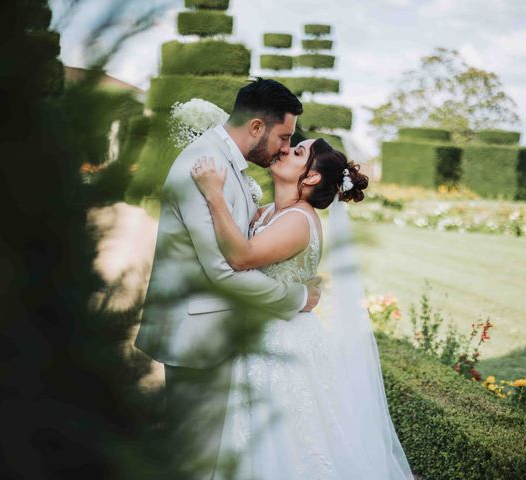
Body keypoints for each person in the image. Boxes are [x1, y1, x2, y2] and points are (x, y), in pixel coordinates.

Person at [190, 138, 415, 479]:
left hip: (282, 342)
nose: (284, 150)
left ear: (310, 178)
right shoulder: (267, 211)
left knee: (290, 445)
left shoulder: (299, 220)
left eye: (298, 152)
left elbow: (242, 256)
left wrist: (214, 194)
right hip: (257, 333)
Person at [133, 78, 322, 480]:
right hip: (198, 334)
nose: (286, 148)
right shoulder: (204, 165)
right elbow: (222, 270)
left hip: (217, 333)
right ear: (256, 127)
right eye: (284, 137)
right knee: (194, 459)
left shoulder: (225, 161)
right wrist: (296, 297)